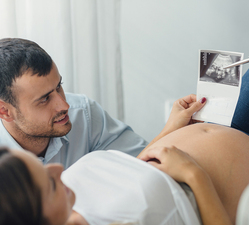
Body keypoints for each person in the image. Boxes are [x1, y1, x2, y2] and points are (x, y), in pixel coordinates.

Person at [139, 0, 249, 224]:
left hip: (232, 123)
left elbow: (134, 167)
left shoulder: (84, 186)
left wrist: (170, 128)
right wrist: (193, 175)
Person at [0, 38, 148, 168]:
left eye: (59, 86)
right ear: (5, 111)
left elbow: (144, 163)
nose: (65, 106)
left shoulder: (83, 113)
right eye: (45, 99)